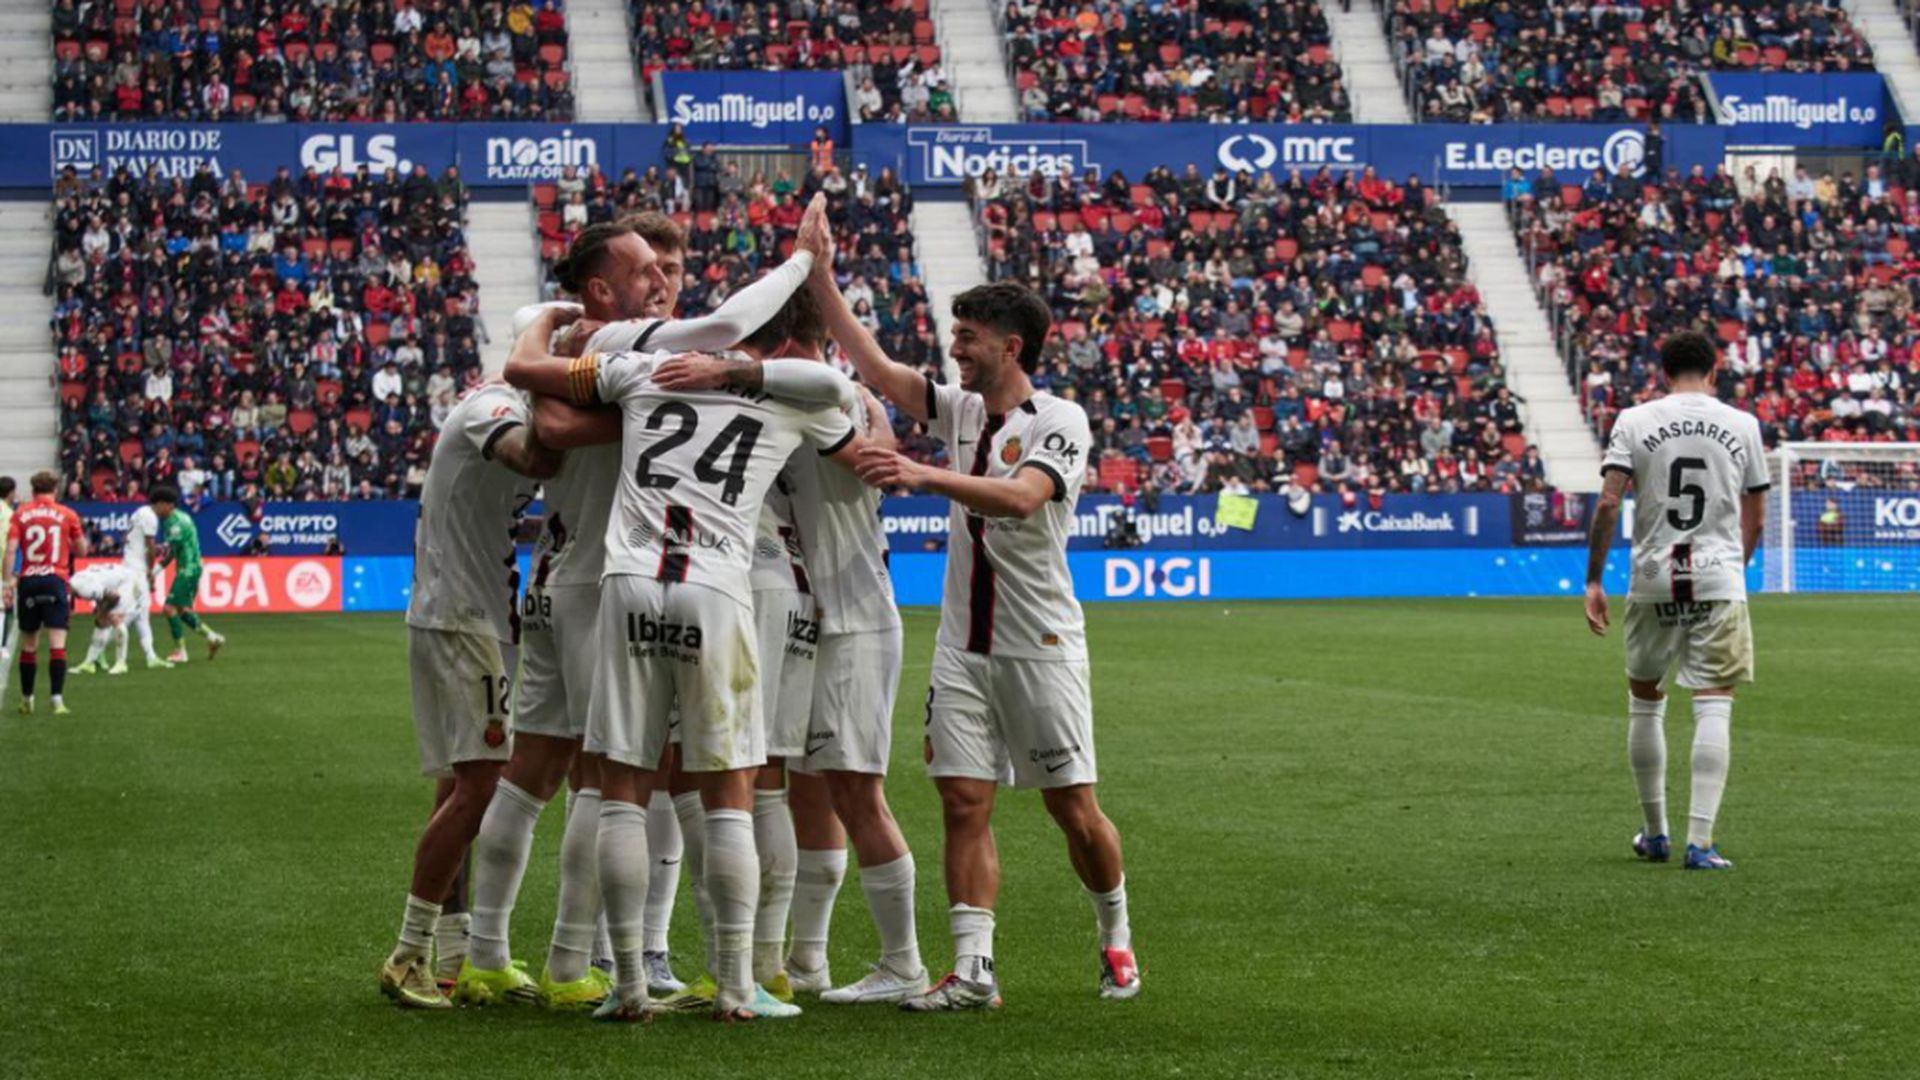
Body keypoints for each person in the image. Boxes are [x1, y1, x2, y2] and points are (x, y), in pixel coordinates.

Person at [458, 205, 846, 1010]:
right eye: (649, 271)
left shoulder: (629, 368)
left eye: (670, 272)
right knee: (713, 785)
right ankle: (722, 978)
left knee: (601, 782)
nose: (663, 286)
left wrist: (532, 342)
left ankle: (613, 974)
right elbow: (829, 382)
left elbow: (546, 400)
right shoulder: (680, 360)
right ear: (606, 287)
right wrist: (795, 280)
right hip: (691, 585)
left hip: (613, 580)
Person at [838, 280, 1141, 1008]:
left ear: (1010, 346)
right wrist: (818, 277)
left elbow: (1024, 497)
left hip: (1039, 644)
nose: (955, 348)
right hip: (961, 646)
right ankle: (973, 972)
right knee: (963, 802)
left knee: (1073, 810)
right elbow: (878, 370)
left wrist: (918, 472)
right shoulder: (964, 410)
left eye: (968, 336)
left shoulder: (1058, 419)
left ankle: (1117, 935)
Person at [664, 286, 926, 1006]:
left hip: (855, 616)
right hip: (816, 604)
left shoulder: (825, 395)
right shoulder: (819, 399)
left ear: (774, 345)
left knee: (850, 791)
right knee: (811, 789)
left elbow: (840, 396)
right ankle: (805, 960)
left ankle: (897, 961)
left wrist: (729, 374)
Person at [377, 383, 563, 1011]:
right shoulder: (496, 409)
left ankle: (454, 955)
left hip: (469, 613)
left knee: (461, 786)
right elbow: (531, 457)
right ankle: (408, 955)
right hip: (462, 617)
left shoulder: (504, 405)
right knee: (481, 786)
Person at [1583, 329, 1768, 873]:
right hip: (1716, 577)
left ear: (1662, 374)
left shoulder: (1634, 420)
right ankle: (1701, 842)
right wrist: (1736, 568)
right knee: (1714, 700)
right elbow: (1755, 517)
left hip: (1651, 575)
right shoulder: (1744, 425)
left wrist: (1594, 580)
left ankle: (1655, 832)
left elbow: (1608, 505)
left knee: (1645, 699)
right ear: (1714, 371)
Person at [2, 472, 86, 715]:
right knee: (57, 644)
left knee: (29, 644)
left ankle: (27, 699)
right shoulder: (67, 514)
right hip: (55, 580)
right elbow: (82, 551)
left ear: (32, 490)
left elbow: (11, 550)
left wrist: (7, 583)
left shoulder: (21, 514)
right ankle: (56, 699)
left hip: (29, 580)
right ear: (55, 489)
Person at [149, 487, 226, 663]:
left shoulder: (176, 523)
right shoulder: (172, 519)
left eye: (157, 505)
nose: (154, 509)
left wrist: (148, 549)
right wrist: (156, 571)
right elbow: (173, 552)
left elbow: (167, 549)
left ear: (167, 505)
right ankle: (212, 637)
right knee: (182, 611)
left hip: (188, 569)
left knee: (169, 609)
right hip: (189, 567)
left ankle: (181, 652)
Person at [118, 491, 172, 669]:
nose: (170, 511)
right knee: (129, 615)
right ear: (162, 503)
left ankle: (151, 656)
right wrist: (150, 571)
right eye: (169, 506)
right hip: (137, 570)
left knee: (140, 614)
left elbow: (126, 537)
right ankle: (98, 653)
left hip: (128, 564)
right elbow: (149, 547)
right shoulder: (151, 518)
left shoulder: (140, 511)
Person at [69, 561, 143, 675]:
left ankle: (121, 663)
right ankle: (89, 663)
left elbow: (114, 597)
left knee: (114, 617)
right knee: (101, 621)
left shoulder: (84, 589)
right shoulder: (75, 580)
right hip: (116, 579)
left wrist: (102, 611)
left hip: (127, 582)